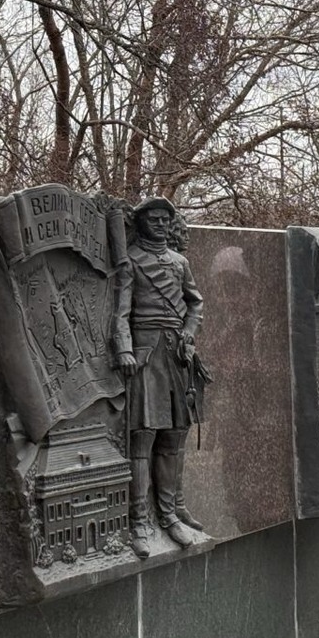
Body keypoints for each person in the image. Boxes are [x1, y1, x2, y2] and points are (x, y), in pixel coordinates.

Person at [113, 198, 207, 558]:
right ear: (142, 223)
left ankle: (168, 515)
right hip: (145, 353)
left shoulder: (180, 262)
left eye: (166, 220)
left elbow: (195, 302)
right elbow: (120, 311)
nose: (161, 225)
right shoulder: (131, 261)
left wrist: (189, 332)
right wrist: (124, 348)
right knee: (144, 435)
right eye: (153, 220)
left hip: (176, 355)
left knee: (173, 434)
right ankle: (139, 521)